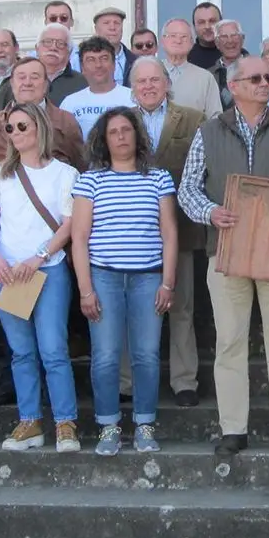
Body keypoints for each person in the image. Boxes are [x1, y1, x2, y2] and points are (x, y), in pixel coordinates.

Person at [181, 55, 269, 460]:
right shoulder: (208, 132)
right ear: (235, 86)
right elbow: (188, 188)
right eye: (256, 78)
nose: (265, 83)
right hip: (225, 250)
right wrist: (210, 213)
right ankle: (233, 429)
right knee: (229, 341)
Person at [71, 107, 178, 456]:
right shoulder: (90, 180)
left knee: (146, 354)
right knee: (105, 355)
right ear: (103, 139)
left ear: (137, 135)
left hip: (149, 278)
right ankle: (108, 426)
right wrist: (85, 289)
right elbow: (80, 237)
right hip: (104, 278)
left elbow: (169, 233)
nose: (120, 137)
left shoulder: (159, 177)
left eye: (126, 130)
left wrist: (168, 282)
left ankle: (145, 424)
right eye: (113, 132)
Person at [0, 101, 81, 452]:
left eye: (22, 126)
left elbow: (70, 224)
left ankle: (65, 423)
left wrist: (40, 256)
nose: (15, 133)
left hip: (48, 271)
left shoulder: (64, 174)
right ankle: (29, 422)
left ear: (40, 128)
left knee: (53, 349)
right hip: (8, 274)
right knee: (21, 352)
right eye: (10, 128)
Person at [130, 57, 207, 407]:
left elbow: (205, 171)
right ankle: (127, 382)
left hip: (182, 227)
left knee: (182, 306)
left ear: (166, 83)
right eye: (141, 81)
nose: (148, 86)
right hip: (132, 233)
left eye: (154, 80)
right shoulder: (119, 122)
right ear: (133, 87)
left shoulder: (192, 119)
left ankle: (184, 381)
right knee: (132, 308)